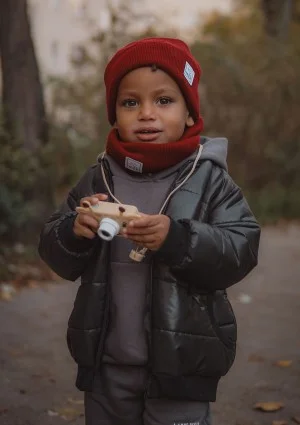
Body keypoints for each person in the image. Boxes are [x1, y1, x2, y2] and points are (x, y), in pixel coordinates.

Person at [38, 37, 260, 425]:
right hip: (105, 365)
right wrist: (74, 232)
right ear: (114, 114)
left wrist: (178, 240)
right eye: (130, 102)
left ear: (189, 113)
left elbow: (241, 247)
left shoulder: (210, 179)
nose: (146, 114)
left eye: (163, 101)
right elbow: (53, 249)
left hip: (181, 364)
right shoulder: (98, 177)